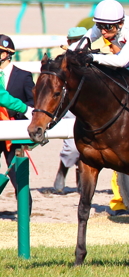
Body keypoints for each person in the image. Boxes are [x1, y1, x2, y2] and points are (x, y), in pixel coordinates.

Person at [53, 27, 87, 193]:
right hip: (69, 107)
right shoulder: (63, 62)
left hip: (88, 107)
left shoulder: (92, 59)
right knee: (72, 148)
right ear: (69, 43)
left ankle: (82, 180)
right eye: (75, 41)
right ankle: (62, 171)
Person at [0, 34, 34, 180]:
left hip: (14, 131)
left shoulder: (24, 76)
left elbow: (32, 102)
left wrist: (14, 113)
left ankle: (25, 202)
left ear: (7, 53)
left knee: (16, 176)